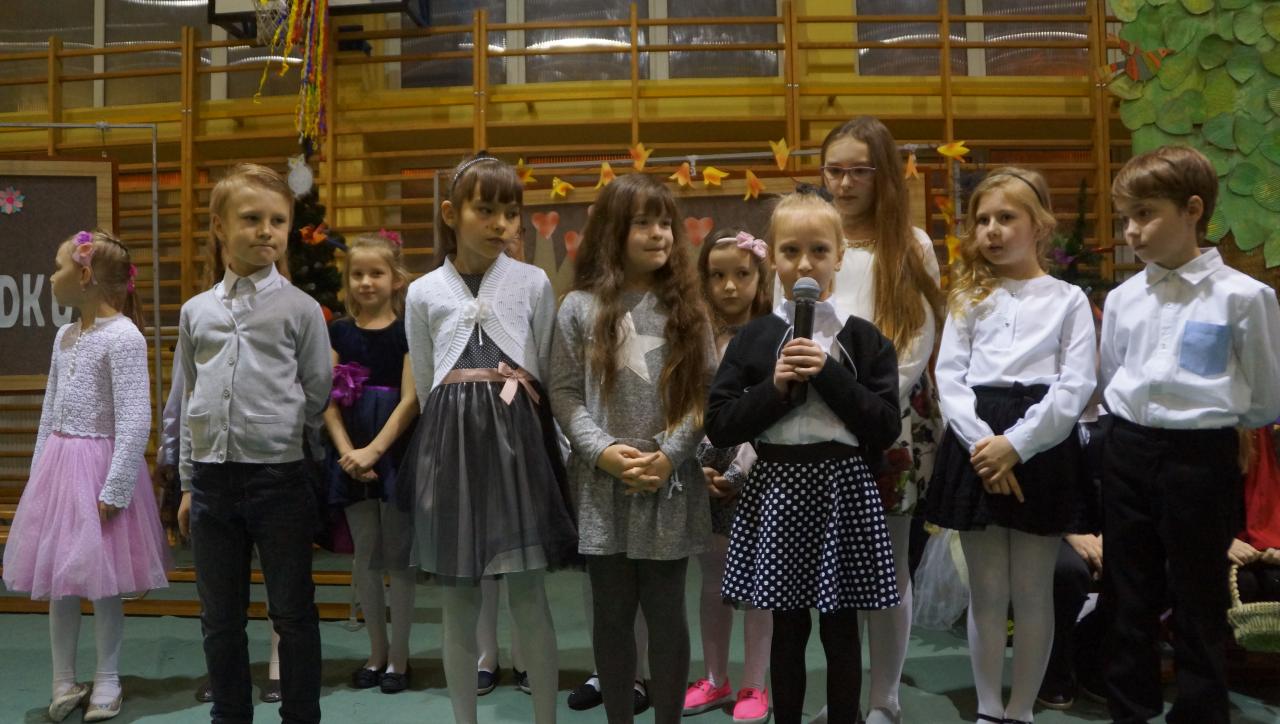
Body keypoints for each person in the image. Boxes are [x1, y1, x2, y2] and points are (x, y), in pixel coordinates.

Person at [706, 191, 902, 724]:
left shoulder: (864, 339)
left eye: (819, 250)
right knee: (787, 628)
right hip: (778, 487)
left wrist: (828, 372)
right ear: (772, 257)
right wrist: (774, 388)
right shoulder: (753, 338)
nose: (805, 264)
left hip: (843, 488)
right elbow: (720, 423)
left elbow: (885, 426)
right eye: (791, 251)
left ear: (840, 257)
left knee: (842, 628)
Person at [1101, 145, 1280, 724]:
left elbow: (1265, 394)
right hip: (1127, 448)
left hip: (1200, 457)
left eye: (1145, 214)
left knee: (1198, 597)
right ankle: (1129, 711)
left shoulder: (1244, 297)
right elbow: (1113, 376)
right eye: (1125, 218)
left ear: (1193, 210)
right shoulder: (1124, 298)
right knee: (1128, 594)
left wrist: (1217, 424)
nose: (1132, 231)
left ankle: (1201, 714)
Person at [400, 152, 577, 724]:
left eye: (511, 212)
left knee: (528, 592)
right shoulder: (423, 291)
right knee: (459, 599)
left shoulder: (533, 282)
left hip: (518, 446)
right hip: (450, 447)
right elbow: (426, 379)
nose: (501, 223)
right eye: (485, 210)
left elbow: (545, 368)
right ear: (451, 213)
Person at [925, 167, 1097, 724]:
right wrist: (985, 446)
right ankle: (988, 707)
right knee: (987, 590)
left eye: (1006, 218)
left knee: (1033, 590)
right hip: (975, 442)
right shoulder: (967, 298)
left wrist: (1016, 446)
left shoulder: (1069, 299)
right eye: (982, 220)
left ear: (1039, 225)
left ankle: (1021, 708)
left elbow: (1075, 385)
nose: (992, 230)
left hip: (1041, 443)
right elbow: (950, 379)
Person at [550, 172, 714, 724]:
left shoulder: (689, 309)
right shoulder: (578, 306)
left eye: (665, 222)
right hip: (604, 486)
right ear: (612, 231)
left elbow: (704, 394)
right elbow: (564, 392)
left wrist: (668, 456)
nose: (658, 233)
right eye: (643, 222)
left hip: (668, 485)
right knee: (612, 616)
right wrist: (602, 452)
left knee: (668, 615)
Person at [177, 162, 331, 724]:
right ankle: (230, 715)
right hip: (212, 482)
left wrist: (274, 431)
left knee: (292, 613)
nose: (267, 231)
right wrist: (189, 482)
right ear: (219, 226)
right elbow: (189, 399)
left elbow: (316, 390)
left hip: (278, 479)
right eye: (251, 219)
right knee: (220, 618)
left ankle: (300, 716)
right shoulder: (196, 312)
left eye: (278, 221)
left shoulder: (300, 309)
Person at [3, 229, 169, 722]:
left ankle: (107, 679)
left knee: (103, 579)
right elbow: (50, 410)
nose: (52, 276)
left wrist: (116, 487)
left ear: (84, 275)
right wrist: (39, 474)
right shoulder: (64, 336)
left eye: (58, 267)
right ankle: (62, 680)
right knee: (60, 577)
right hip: (59, 470)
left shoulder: (124, 337)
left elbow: (135, 419)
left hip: (99, 471)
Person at [814, 117, 945, 724]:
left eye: (858, 171)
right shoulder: (815, 236)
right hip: (818, 420)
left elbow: (917, 339)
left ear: (883, 175)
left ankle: (884, 697)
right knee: (832, 566)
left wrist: (867, 406)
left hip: (890, 420)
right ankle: (843, 691)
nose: (844, 184)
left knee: (888, 563)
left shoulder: (911, 245)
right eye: (834, 170)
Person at [683, 228, 773, 724]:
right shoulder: (696, 336)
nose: (730, 286)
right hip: (704, 464)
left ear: (761, 277)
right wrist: (696, 463)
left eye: (741, 274)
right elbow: (689, 405)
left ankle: (755, 683)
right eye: (717, 276)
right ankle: (715, 676)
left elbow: (773, 410)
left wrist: (740, 469)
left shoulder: (774, 332)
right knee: (712, 578)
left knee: (760, 581)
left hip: (760, 465)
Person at [323, 232, 419, 693]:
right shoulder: (338, 332)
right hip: (351, 452)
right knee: (365, 554)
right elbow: (327, 401)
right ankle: (375, 652)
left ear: (395, 279)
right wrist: (348, 453)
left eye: (376, 273)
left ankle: (399, 657)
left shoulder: (407, 331)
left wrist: (373, 451)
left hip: (393, 450)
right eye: (357, 274)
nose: (365, 282)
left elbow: (410, 400)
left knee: (398, 557)